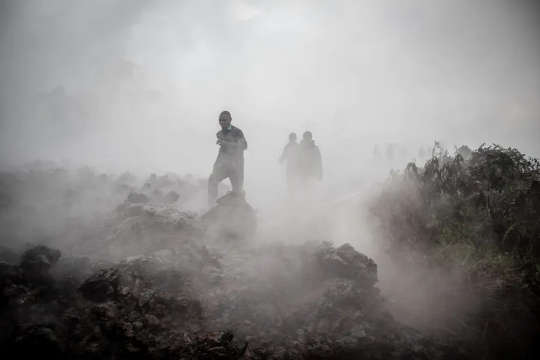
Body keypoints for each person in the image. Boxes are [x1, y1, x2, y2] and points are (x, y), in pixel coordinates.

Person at [208, 110, 248, 205]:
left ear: (230, 120)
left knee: (238, 192)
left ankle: (244, 215)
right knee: (212, 179)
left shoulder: (237, 132)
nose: (222, 122)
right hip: (224, 166)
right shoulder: (219, 134)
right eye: (220, 120)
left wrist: (226, 143)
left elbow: (244, 146)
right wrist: (216, 165)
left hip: (236, 167)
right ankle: (211, 205)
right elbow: (222, 151)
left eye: (224, 120)